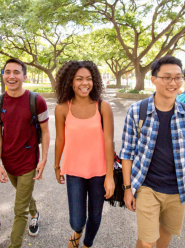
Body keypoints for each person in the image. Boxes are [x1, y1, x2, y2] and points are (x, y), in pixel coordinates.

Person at [119, 55, 185, 248]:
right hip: (147, 186)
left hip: (178, 189)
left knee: (165, 236)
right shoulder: (137, 111)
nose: (173, 83)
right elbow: (127, 152)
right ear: (154, 79)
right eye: (167, 77)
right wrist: (127, 189)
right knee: (148, 240)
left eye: (177, 77)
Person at [54, 60, 115, 248]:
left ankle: (87, 243)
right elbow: (60, 140)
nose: (84, 83)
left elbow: (108, 142)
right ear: (70, 82)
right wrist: (57, 166)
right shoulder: (62, 108)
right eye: (79, 79)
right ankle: (78, 231)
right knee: (77, 219)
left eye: (89, 79)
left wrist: (110, 177)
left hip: (99, 172)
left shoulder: (103, 107)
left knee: (96, 215)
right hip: (74, 172)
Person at [0, 59, 50, 248]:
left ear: (24, 76)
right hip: (9, 161)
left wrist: (44, 160)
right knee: (22, 192)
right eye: (7, 72)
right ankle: (35, 213)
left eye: (16, 72)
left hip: (28, 162)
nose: (11, 76)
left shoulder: (36, 100)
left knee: (19, 210)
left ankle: (14, 244)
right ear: (3, 75)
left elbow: (46, 132)